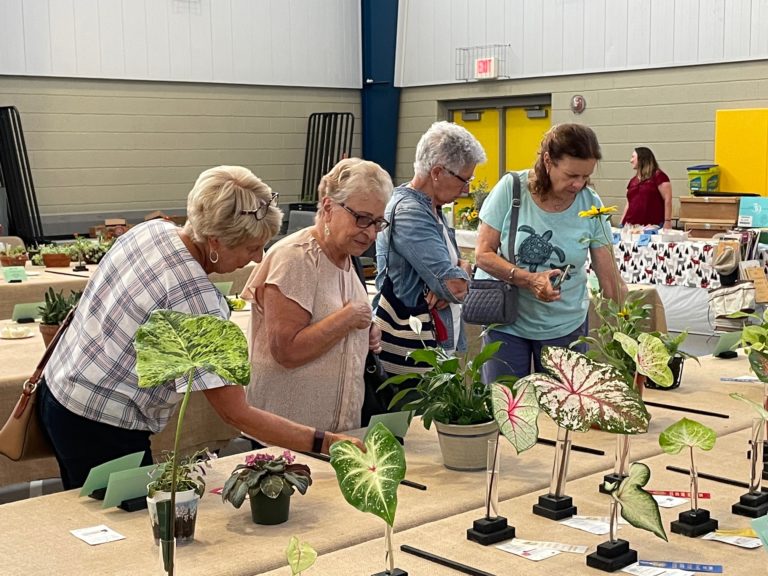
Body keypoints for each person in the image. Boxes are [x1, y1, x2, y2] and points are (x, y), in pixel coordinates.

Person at [38, 165, 362, 490]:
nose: (257, 257)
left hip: (59, 392)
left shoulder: (152, 231)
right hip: (101, 427)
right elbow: (237, 414)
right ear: (215, 242)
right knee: (122, 531)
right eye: (251, 248)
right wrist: (325, 442)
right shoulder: (197, 306)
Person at [242, 158, 392, 433]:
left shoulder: (347, 257)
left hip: (335, 432)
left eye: (378, 222)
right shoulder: (295, 258)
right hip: (289, 437)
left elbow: (330, 313)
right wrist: (348, 319)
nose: (370, 232)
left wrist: (364, 332)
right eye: (361, 218)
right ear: (327, 207)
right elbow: (286, 351)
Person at [475, 123, 627, 379]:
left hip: (565, 329)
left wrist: (630, 329)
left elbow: (609, 278)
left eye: (585, 177)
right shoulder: (512, 189)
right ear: (548, 161)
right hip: (507, 325)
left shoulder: (592, 205)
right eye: (571, 175)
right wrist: (529, 280)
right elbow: (482, 254)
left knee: (563, 410)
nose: (578, 184)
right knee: (510, 407)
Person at [375, 120, 486, 358]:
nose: (466, 189)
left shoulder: (432, 208)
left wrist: (460, 269)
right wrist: (456, 276)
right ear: (437, 173)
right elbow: (454, 286)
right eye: (464, 180)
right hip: (414, 349)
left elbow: (454, 276)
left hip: (436, 340)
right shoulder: (411, 213)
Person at [620, 146, 673, 230]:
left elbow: (668, 200)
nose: (631, 160)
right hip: (631, 226)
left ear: (642, 158)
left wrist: (667, 221)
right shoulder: (633, 181)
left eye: (633, 157)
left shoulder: (659, 176)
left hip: (651, 226)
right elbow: (628, 204)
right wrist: (621, 222)